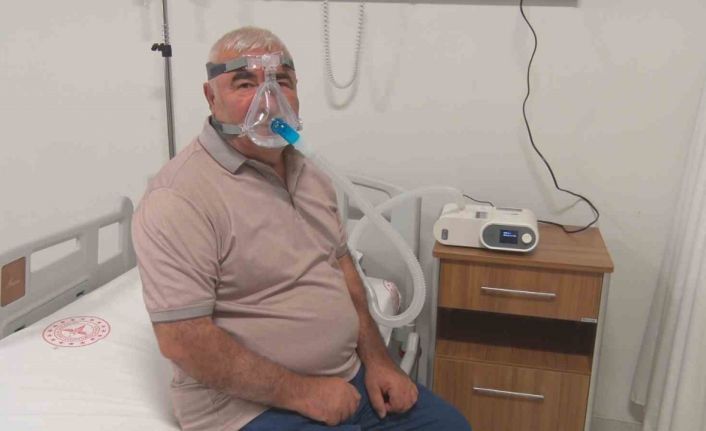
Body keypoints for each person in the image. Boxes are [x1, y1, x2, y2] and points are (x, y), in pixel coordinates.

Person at [132, 26, 471, 431]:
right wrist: (303, 392)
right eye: (245, 84)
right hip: (247, 408)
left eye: (281, 82)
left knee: (452, 426)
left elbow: (345, 273)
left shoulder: (311, 175)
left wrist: (379, 361)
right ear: (211, 96)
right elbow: (183, 340)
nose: (268, 100)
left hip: (348, 380)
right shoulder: (179, 197)